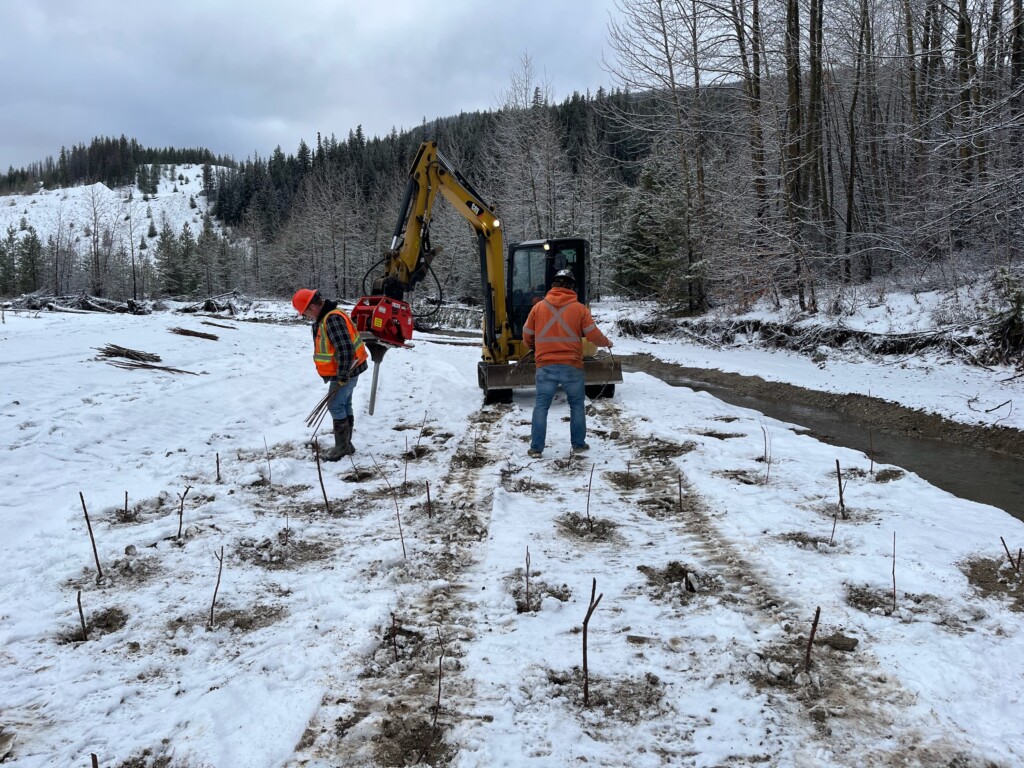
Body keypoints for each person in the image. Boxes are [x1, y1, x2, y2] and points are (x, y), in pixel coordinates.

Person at [523, 269, 613, 458]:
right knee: (577, 406)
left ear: (553, 285)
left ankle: (536, 448)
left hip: (545, 366)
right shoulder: (580, 309)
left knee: (541, 406)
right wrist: (607, 343)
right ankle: (578, 445)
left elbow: (527, 335)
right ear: (572, 287)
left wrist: (535, 348)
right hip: (572, 366)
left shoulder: (538, 308)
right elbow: (593, 335)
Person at [292, 289, 369, 460]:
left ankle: (342, 447)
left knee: (335, 406)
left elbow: (345, 349)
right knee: (344, 404)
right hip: (348, 369)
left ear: (312, 306)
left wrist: (342, 376)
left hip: (345, 371)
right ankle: (346, 445)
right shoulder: (330, 315)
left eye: (305, 313)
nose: (306, 317)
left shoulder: (331, 319)